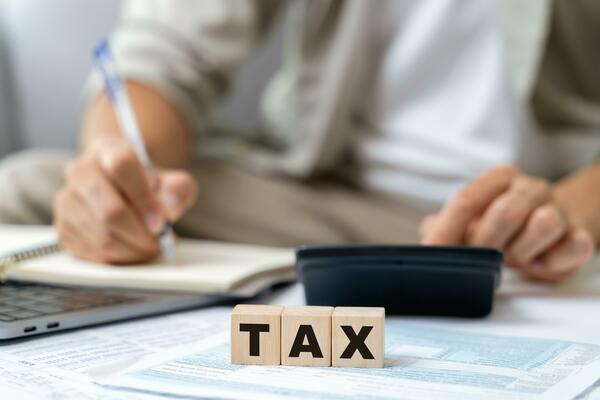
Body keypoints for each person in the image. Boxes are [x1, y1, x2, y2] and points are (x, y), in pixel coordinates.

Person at [0, 0, 598, 282]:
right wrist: (122, 173)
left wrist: (562, 218)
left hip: (547, 208)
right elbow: (163, 53)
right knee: (29, 186)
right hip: (321, 198)